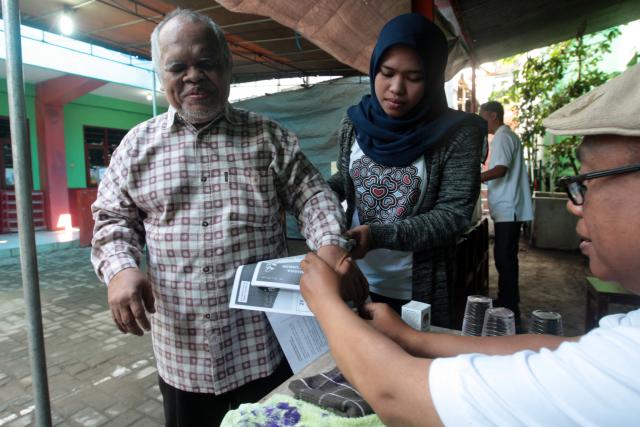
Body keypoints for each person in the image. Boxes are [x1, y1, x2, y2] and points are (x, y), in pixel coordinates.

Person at [300, 64, 640, 426]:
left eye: (585, 182)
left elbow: (400, 395)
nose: (575, 202)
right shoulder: (624, 341)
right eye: (386, 73)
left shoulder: (624, 371)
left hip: (415, 280)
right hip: (372, 283)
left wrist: (325, 302)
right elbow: (566, 351)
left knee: (507, 260)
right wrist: (411, 338)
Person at [91, 9, 366, 426]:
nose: (193, 76)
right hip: (182, 354)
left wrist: (331, 246)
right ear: (160, 73)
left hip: (261, 346)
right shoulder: (136, 147)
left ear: (227, 65)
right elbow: (113, 218)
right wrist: (119, 270)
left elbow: (313, 196)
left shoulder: (267, 137)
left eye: (206, 63)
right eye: (178, 67)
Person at [327, 13, 486, 325]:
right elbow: (346, 181)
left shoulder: (458, 134)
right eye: (387, 73)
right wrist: (313, 195)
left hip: (416, 289)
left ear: (433, 79)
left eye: (414, 78)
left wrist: (377, 235)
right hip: (356, 278)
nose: (396, 88)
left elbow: (452, 216)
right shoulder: (355, 121)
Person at [480, 101, 533, 326]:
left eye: (483, 117)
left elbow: (501, 169)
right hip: (511, 206)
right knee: (507, 257)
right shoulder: (508, 136)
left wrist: (475, 178)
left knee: (504, 258)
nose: (481, 122)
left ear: (493, 116)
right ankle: (509, 300)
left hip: (509, 207)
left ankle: (509, 305)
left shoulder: (502, 137)